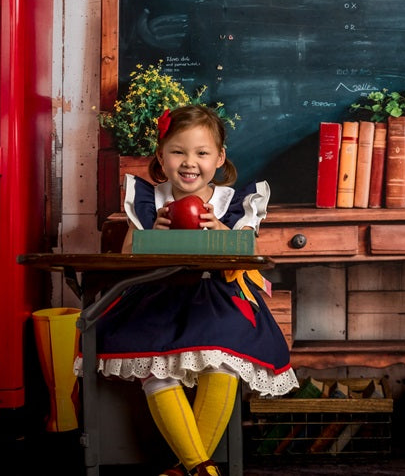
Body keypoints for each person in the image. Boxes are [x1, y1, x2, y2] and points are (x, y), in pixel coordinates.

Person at [92, 104, 298, 476]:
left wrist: (225, 236)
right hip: (156, 296)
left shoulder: (233, 205)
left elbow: (249, 254)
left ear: (219, 158)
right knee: (158, 368)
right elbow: (124, 256)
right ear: (160, 155)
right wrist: (151, 235)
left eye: (202, 153)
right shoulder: (148, 200)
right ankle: (203, 470)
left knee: (224, 361)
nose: (190, 162)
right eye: (178, 151)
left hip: (217, 299)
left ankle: (188, 469)